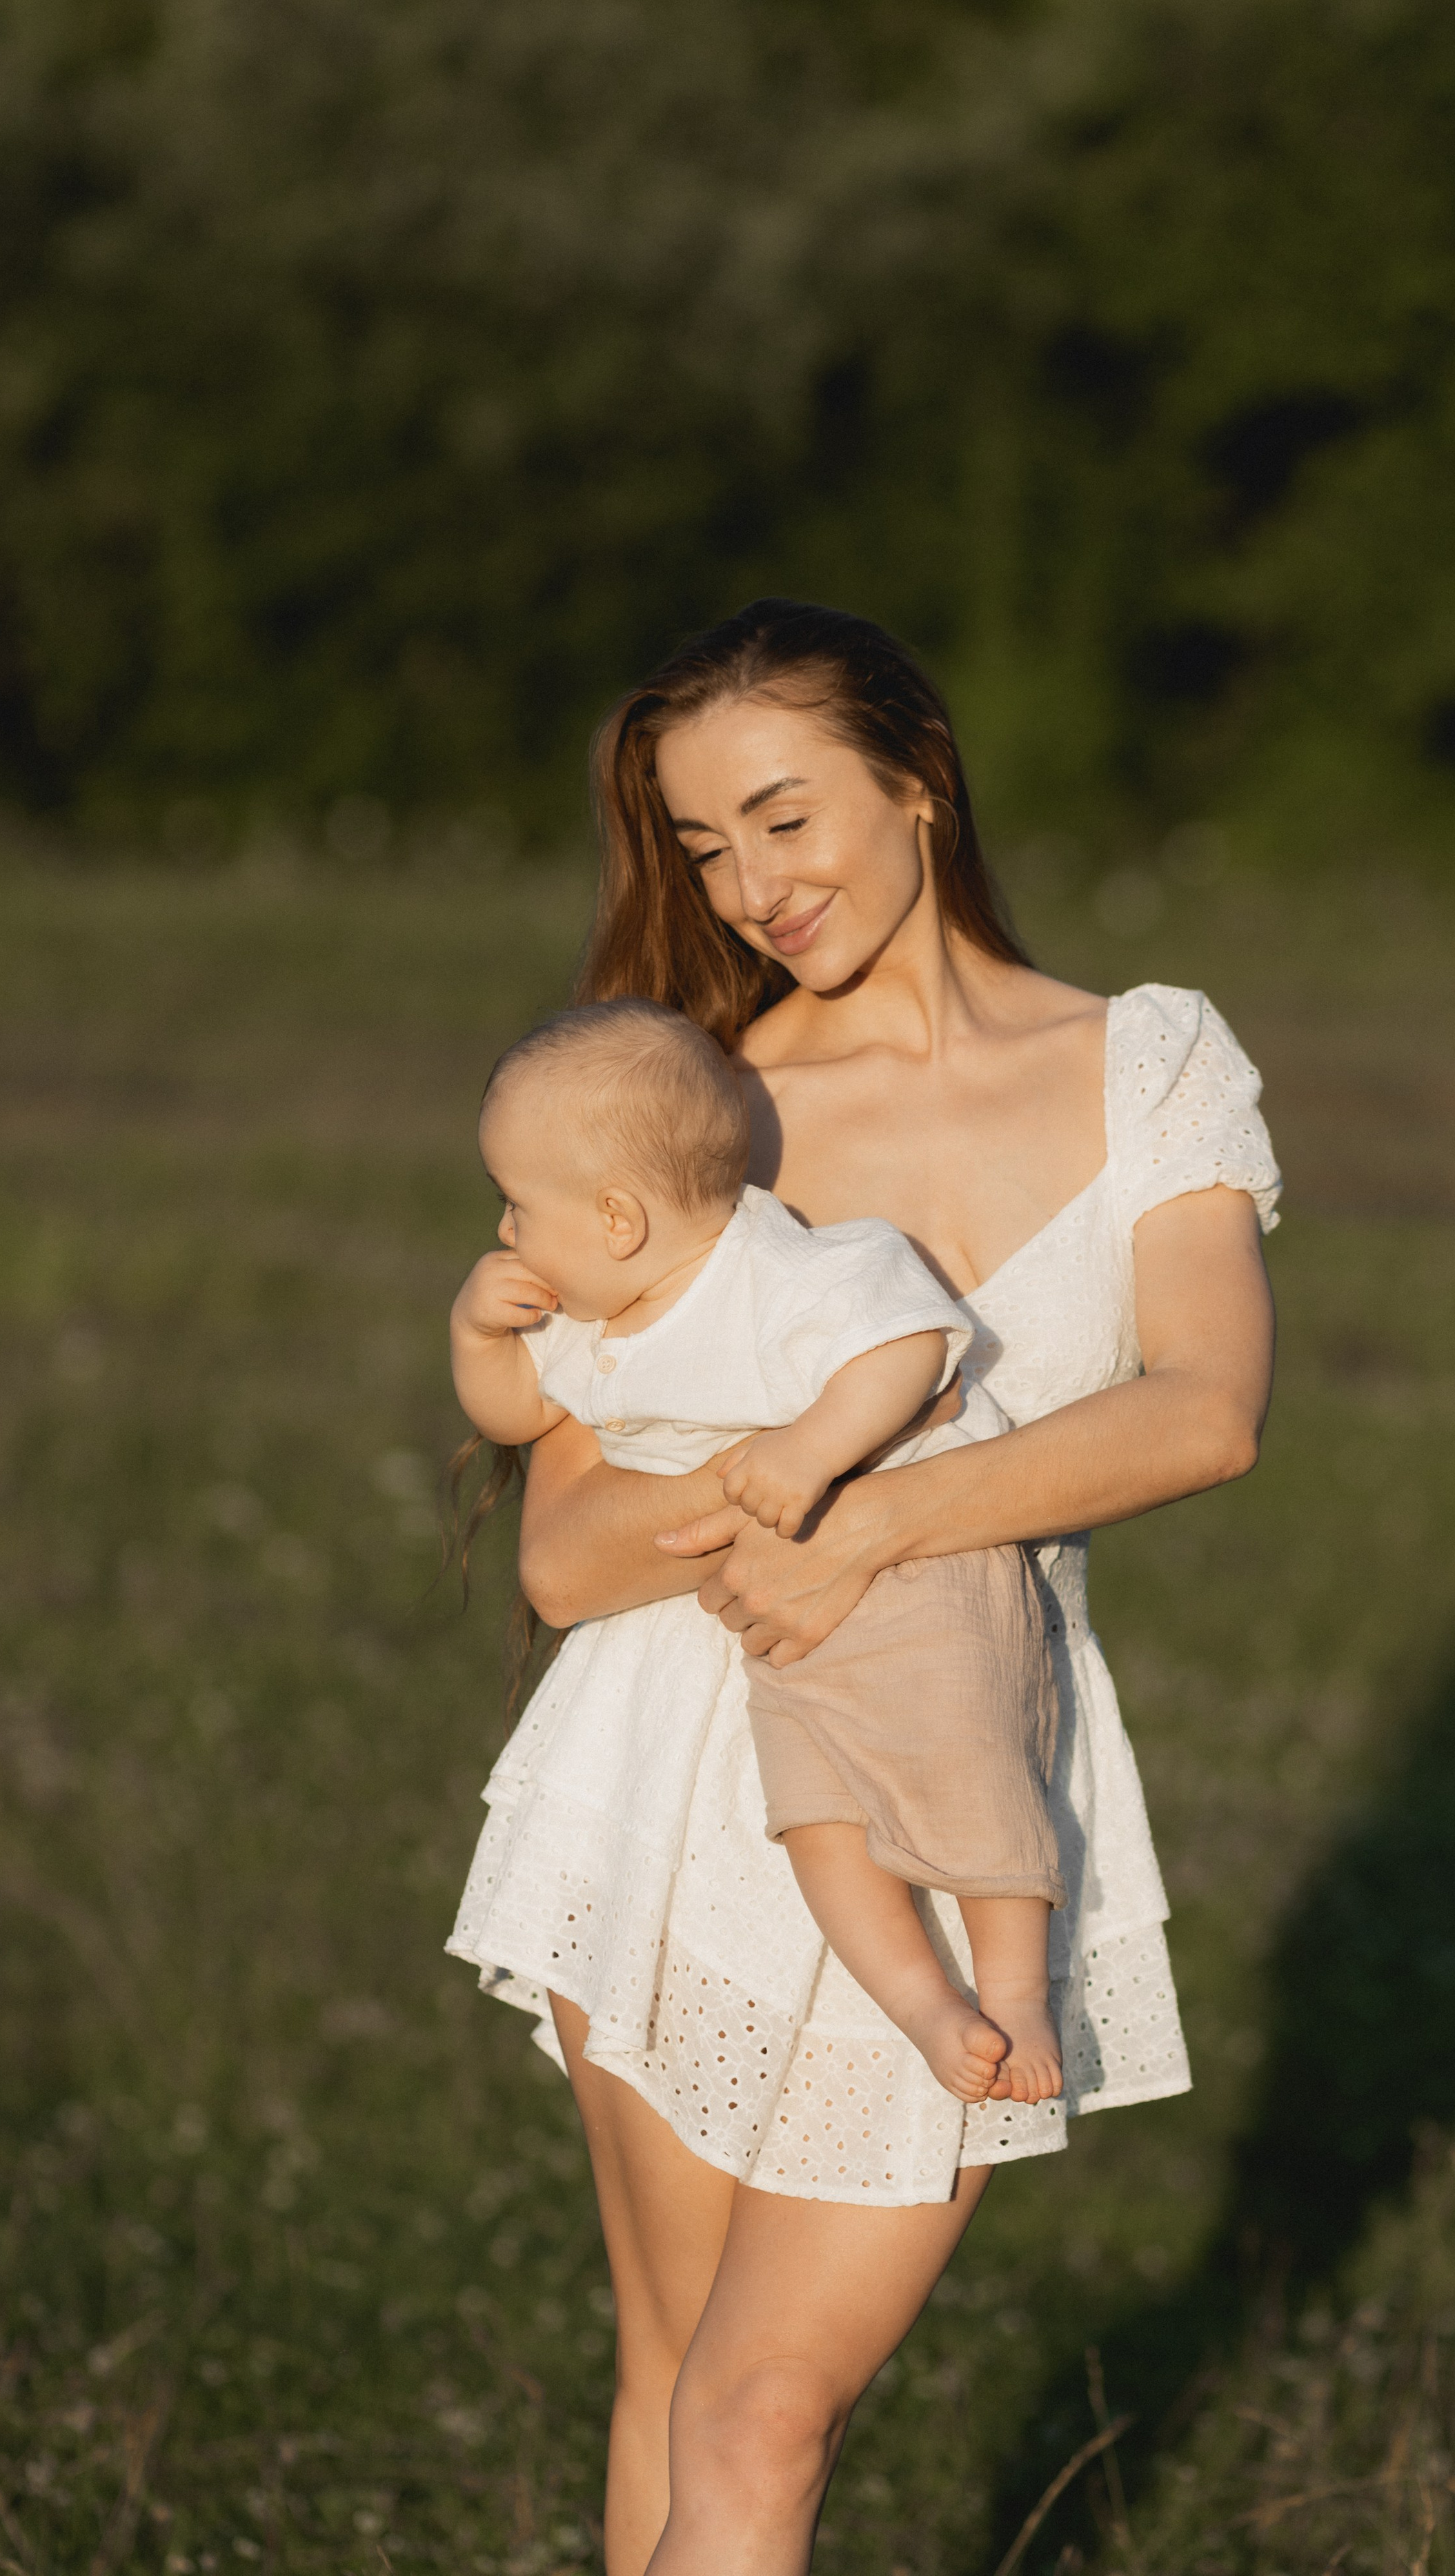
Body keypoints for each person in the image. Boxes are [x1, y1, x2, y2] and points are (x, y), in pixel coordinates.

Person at [446, 597, 1280, 2576]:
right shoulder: (700, 1104)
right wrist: (754, 1494)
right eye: (703, 846)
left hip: (959, 1775)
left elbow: (1208, 1412)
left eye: (787, 818)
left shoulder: (1144, 1063)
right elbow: (565, 1557)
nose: (750, 887)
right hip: (672, 1768)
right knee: (675, 2379)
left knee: (759, 2407)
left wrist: (879, 1514)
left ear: (920, 781)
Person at [448, 996, 1066, 2109]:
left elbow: (913, 1346)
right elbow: (512, 1416)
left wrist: (813, 1447)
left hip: (916, 1557)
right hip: (785, 1613)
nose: (503, 1234)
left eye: (515, 1208)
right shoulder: (599, 1325)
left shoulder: (786, 1266)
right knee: (815, 1814)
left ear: (618, 1218)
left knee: (968, 1760)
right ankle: (927, 2000)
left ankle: (1015, 1991)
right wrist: (477, 1333)